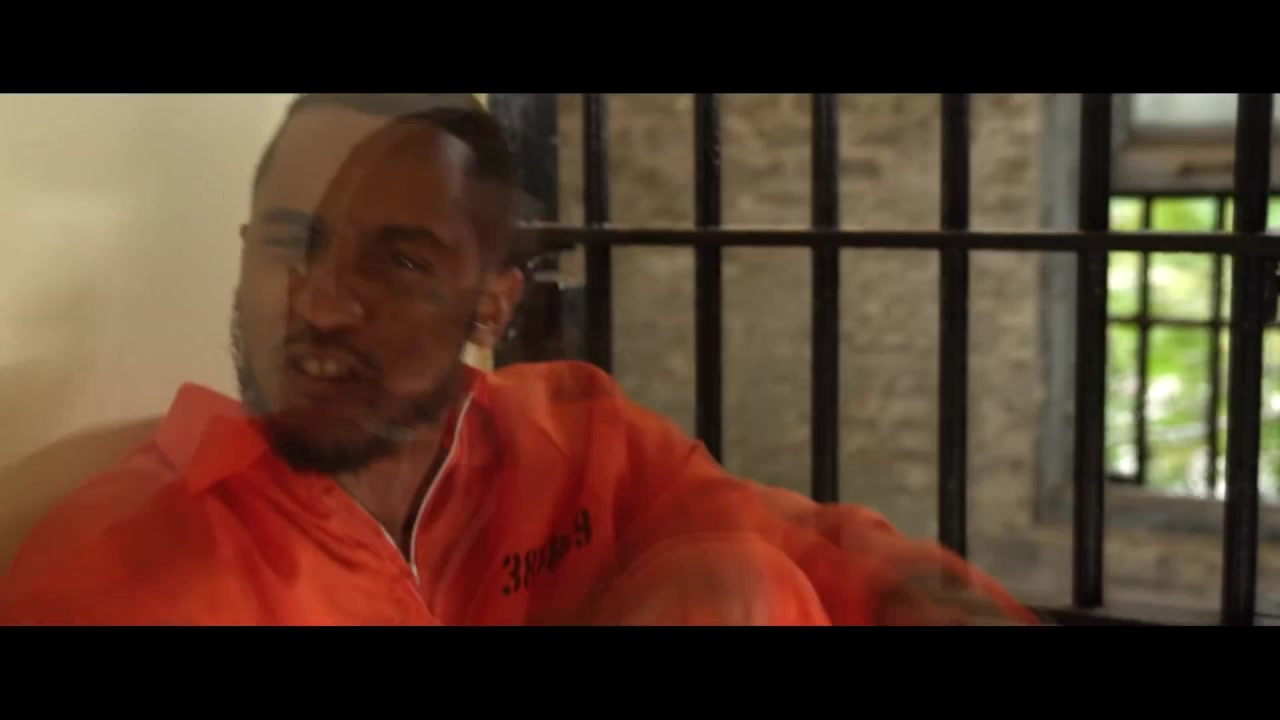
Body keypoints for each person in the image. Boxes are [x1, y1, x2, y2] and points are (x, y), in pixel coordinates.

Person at [0, 94, 1041, 626]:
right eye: (290, 242)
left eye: (398, 259)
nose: (316, 302)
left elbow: (809, 551)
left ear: (493, 304)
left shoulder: (569, 438)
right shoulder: (130, 567)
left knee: (733, 581)